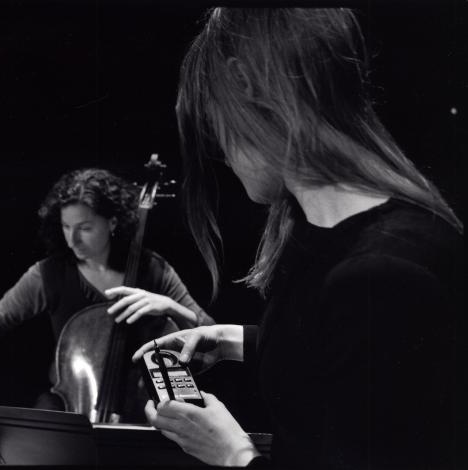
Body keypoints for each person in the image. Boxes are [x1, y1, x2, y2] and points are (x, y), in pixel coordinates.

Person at [132, 8, 463, 469]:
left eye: (216, 123)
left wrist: (234, 454)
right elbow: (345, 355)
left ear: (244, 83)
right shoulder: (326, 239)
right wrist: (233, 340)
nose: (222, 151)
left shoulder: (382, 275)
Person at [0, 168, 213, 421]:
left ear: (113, 223)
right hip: (73, 412)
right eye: (66, 227)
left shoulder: (154, 270)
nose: (72, 240)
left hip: (144, 412)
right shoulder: (48, 274)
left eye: (85, 228)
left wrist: (172, 307)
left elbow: (211, 335)